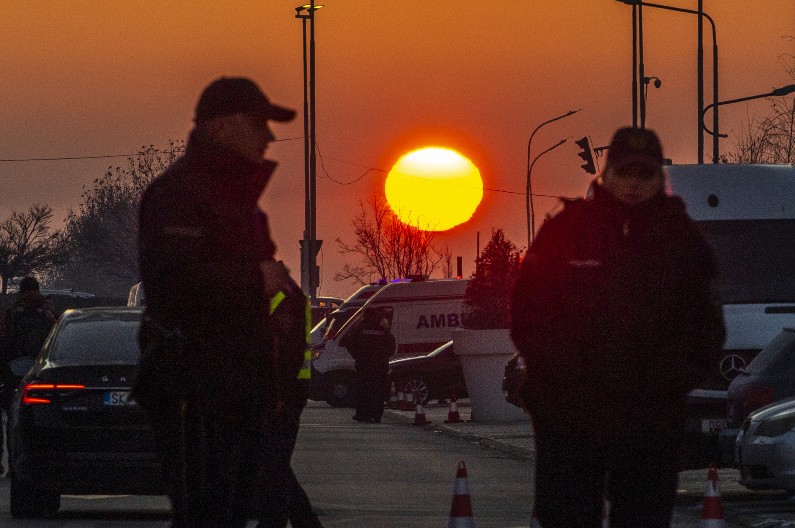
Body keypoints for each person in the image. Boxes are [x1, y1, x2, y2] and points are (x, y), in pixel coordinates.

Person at [510, 127, 726, 528]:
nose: (633, 183)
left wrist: (666, 380)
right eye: (625, 172)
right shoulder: (567, 231)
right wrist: (560, 375)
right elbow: (529, 312)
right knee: (567, 515)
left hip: (649, 416)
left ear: (659, 178)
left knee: (642, 517)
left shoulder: (682, 240)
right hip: (570, 412)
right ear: (605, 175)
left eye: (645, 174)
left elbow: (704, 327)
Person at [133, 77, 295, 528]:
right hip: (196, 391)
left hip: (239, 390)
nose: (268, 136)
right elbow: (171, 284)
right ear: (221, 128)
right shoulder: (179, 195)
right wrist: (255, 278)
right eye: (258, 123)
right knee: (207, 514)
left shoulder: (239, 203)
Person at [255, 276, 324, 528]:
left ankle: (279, 521)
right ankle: (297, 521)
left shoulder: (286, 298)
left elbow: (286, 352)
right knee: (274, 462)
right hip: (284, 393)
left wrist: (278, 395)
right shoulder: (285, 295)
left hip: (285, 394)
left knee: (273, 462)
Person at [0, 276, 57, 476]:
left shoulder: (12, 314)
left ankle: (7, 463)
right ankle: (30, 462)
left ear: (20, 292)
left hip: (14, 373)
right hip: (41, 375)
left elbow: (4, 342)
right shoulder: (48, 314)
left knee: (9, 418)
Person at [339, 307, 395, 423]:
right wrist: (382, 357)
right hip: (380, 367)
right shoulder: (383, 331)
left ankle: (363, 414)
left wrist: (357, 356)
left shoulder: (359, 329)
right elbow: (391, 347)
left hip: (364, 366)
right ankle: (377, 415)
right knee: (378, 391)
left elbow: (349, 343)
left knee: (363, 390)